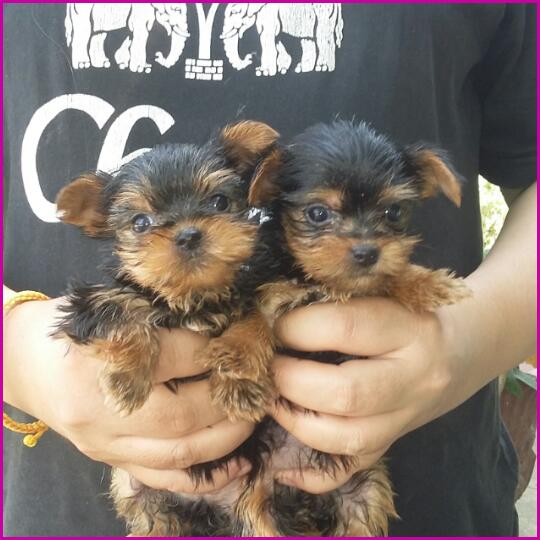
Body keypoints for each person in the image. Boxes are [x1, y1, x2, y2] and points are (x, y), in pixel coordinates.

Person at [3, 3, 535, 536]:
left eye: (218, 203)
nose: (187, 233)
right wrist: (16, 352)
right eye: (142, 222)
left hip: (423, 485)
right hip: (72, 502)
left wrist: (477, 334)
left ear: (253, 194)